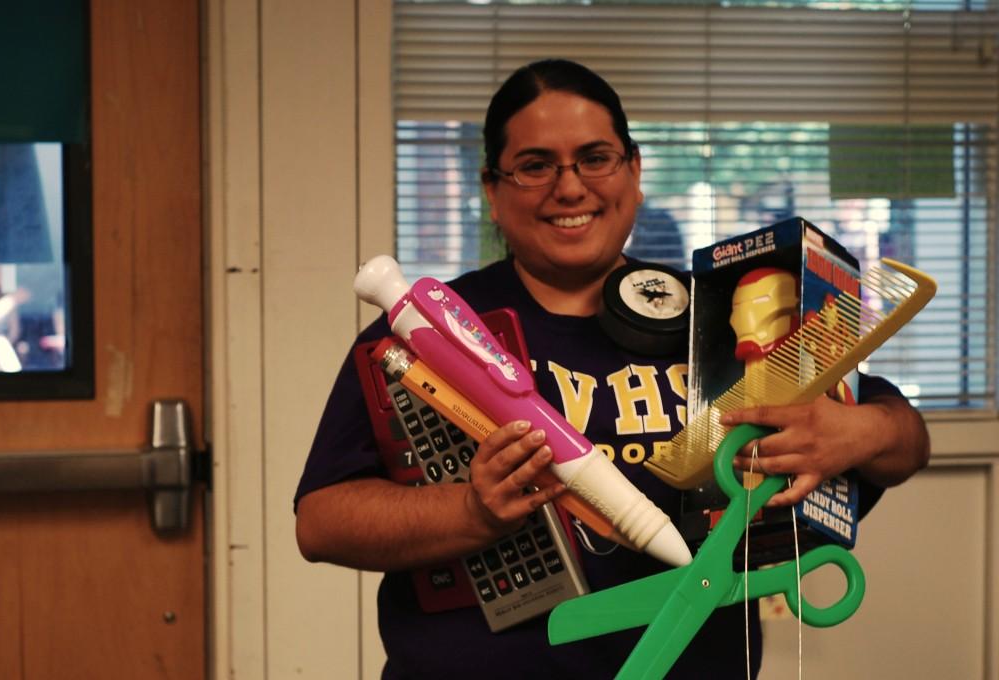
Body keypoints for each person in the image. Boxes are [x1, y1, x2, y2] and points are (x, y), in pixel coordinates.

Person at [294, 59, 930, 678]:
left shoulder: (722, 316)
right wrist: (473, 513)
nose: (569, 187)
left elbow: (906, 442)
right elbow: (322, 524)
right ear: (492, 190)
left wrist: (861, 432)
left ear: (634, 170)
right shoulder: (428, 334)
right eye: (534, 166)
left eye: (594, 158)